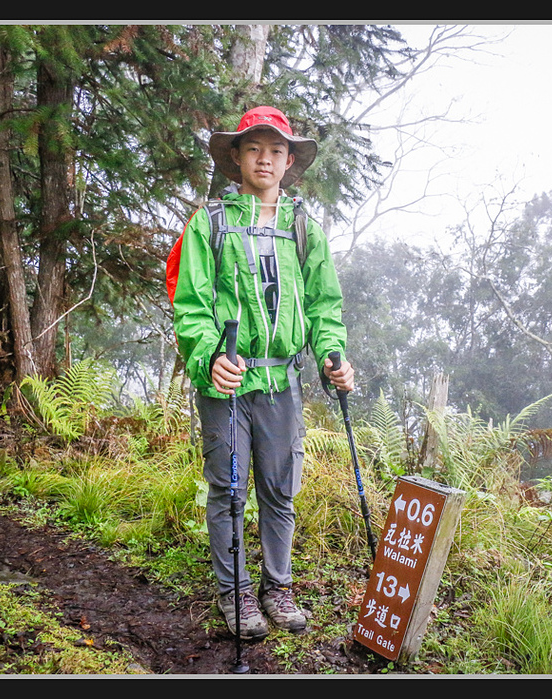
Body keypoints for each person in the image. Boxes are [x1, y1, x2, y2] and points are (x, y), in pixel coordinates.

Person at [171, 105, 355, 640]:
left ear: (290, 160)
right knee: (228, 491)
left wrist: (331, 355)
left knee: (279, 489)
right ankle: (235, 595)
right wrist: (209, 357)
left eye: (277, 150)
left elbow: (324, 306)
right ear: (237, 157)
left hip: (281, 383)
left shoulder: (304, 228)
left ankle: (278, 588)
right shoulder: (210, 222)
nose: (266, 158)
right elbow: (192, 304)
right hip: (226, 381)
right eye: (255, 148)